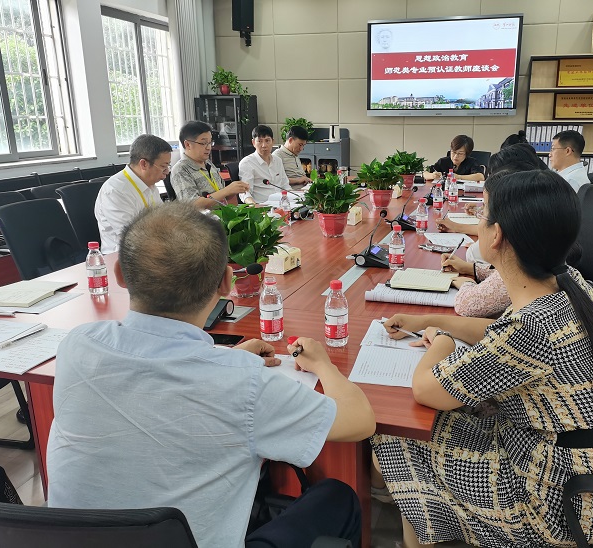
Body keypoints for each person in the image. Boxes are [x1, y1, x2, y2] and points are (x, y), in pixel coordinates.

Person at [46, 202, 375, 548]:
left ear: (119, 275)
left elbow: (154, 381)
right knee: (337, 497)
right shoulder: (245, 385)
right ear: (226, 282)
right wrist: (323, 364)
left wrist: (225, 359)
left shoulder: (77, 345)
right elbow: (360, 421)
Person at [375, 170, 593, 547]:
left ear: (497, 234)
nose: (478, 221)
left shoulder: (531, 327)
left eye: (482, 213)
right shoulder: (568, 282)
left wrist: (441, 340)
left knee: (398, 434)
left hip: (561, 505)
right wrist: (434, 320)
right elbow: (500, 334)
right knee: (454, 416)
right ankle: (420, 513)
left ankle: (419, 520)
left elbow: (426, 389)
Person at [94, 134, 171, 254]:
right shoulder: (116, 190)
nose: (167, 172)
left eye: (168, 166)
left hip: (151, 248)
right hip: (124, 256)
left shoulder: (150, 183)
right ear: (144, 164)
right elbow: (131, 237)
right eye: (163, 166)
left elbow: (163, 218)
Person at [170, 120, 250, 209]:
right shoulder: (181, 169)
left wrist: (234, 189)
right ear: (188, 144)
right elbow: (193, 205)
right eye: (203, 143)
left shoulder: (208, 163)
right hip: (202, 218)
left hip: (222, 214)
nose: (209, 147)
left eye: (210, 143)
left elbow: (222, 195)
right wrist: (227, 190)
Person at [238, 125, 292, 204]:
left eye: (267, 141)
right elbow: (245, 192)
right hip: (262, 206)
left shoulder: (278, 160)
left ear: (273, 142)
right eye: (260, 141)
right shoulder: (247, 163)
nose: (264, 145)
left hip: (281, 204)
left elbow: (285, 185)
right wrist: (253, 205)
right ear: (253, 143)